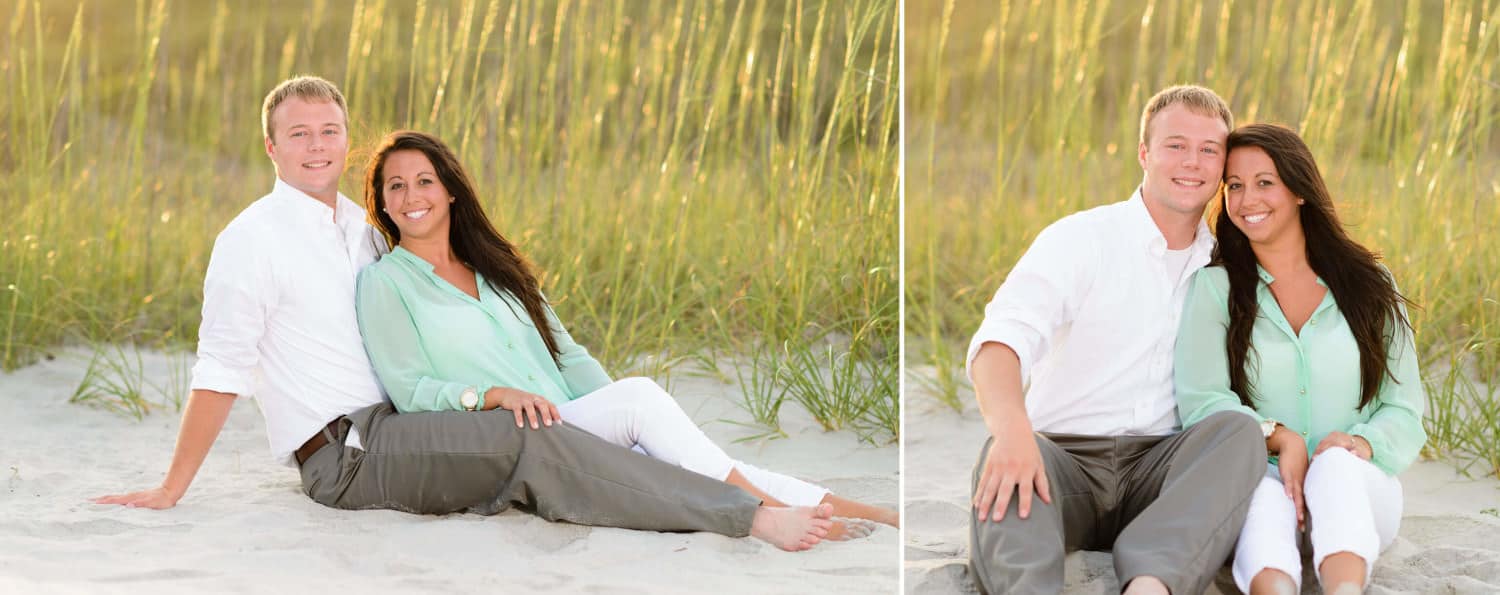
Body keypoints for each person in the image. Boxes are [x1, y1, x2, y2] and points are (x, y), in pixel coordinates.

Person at [92, 75, 836, 553]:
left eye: (328, 131)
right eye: (298, 133)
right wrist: (170, 488)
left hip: (401, 426)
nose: (315, 146)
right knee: (526, 437)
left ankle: (785, 495)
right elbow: (221, 367)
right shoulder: (250, 239)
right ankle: (750, 516)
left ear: (346, 142)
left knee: (597, 414)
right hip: (343, 456)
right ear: (271, 146)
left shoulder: (361, 225)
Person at [353, 130, 899, 537]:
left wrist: (626, 424)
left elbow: (567, 355)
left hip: (573, 416)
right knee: (648, 408)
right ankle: (772, 513)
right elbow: (410, 388)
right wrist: (493, 396)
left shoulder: (497, 270)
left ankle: (878, 517)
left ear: (451, 192)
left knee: (684, 449)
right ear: (381, 201)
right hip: (518, 436)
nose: (410, 195)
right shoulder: (385, 283)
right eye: (395, 186)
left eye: (425, 180)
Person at [965, 84, 1268, 595]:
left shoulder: (1229, 265)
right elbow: (1001, 342)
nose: (1191, 161)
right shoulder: (1082, 238)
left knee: (1237, 433)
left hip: (1163, 472)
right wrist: (1013, 431)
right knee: (1006, 456)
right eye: (1175, 145)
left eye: (1208, 150)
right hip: (1063, 463)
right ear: (1144, 154)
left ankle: (1150, 586)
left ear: (1223, 167)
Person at [1174, 123, 1426, 594]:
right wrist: (1277, 437)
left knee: (1334, 468)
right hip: (1262, 477)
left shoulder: (1371, 284)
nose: (1248, 199)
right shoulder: (1215, 289)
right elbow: (1202, 400)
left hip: (1358, 486)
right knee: (1259, 502)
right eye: (1234, 186)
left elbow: (1404, 407)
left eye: (1265, 182)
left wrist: (1359, 446)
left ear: (1300, 191)